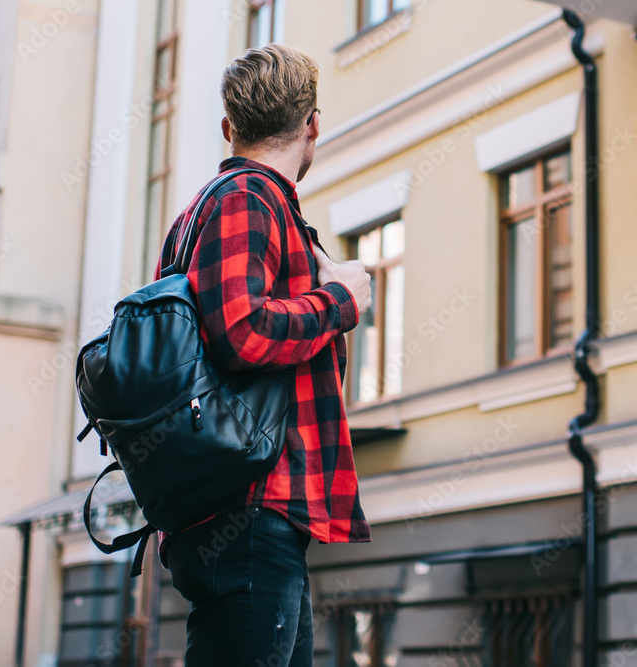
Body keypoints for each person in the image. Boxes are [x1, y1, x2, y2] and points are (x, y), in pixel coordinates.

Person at [154, 44, 374, 666]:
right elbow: (239, 330)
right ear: (312, 126)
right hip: (251, 505)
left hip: (247, 506)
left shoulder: (204, 212)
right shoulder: (248, 199)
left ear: (230, 128)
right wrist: (338, 301)